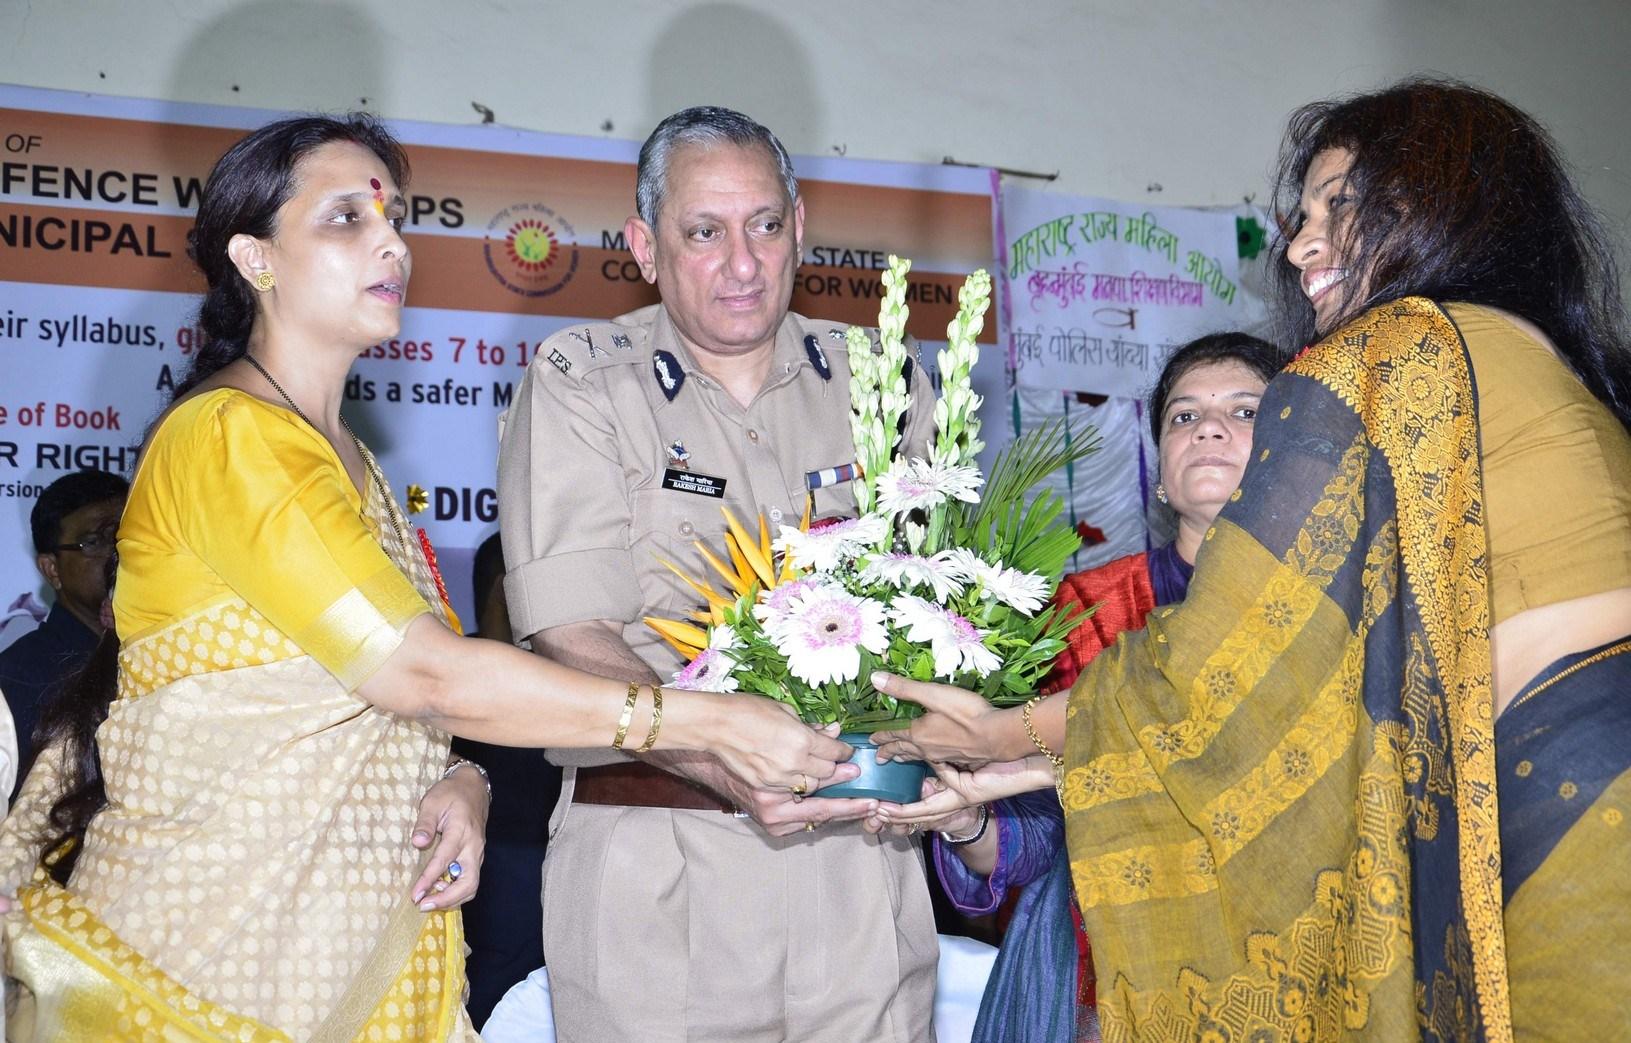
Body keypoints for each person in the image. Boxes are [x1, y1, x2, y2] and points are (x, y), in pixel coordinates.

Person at [0, 113, 849, 1041]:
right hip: (204, 960)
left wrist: (464, 779)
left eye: (393, 217)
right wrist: (706, 718)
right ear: (255, 258)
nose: (392, 242)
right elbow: (426, 672)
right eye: (345, 221)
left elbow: (400, 704)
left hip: (344, 952)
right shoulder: (229, 438)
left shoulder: (349, 461)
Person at [871, 78, 1631, 1040]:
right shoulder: (1546, 362)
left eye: (1342, 211)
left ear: (1448, 205)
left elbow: (1220, 676)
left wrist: (1000, 734)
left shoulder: (1396, 348)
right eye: (1300, 217)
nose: (1302, 246)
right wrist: (1010, 784)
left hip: (1546, 790)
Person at [497, 105, 939, 1041]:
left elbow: (946, 617)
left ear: (800, 226)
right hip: (654, 873)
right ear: (645, 246)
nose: (743, 264)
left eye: (765, 226)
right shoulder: (583, 380)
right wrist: (720, 759)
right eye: (704, 233)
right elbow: (570, 635)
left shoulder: (882, 379)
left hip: (859, 863)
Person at [894, 334, 1279, 1043]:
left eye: (1244, 410)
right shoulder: (1088, 608)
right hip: (1100, 977)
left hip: (1291, 971)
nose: (1209, 427)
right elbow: (1036, 831)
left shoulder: (1338, 610)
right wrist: (965, 821)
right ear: (1160, 475)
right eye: (1183, 418)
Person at [453, 532, 559, 1027]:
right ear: (505, 591)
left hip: (554, 887)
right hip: (492, 890)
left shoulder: (560, 684)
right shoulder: (442, 683)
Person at [0, 469, 127, 800]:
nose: (117, 552)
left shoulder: (168, 654)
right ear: (51, 569)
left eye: (126, 534)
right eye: (94, 541)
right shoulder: (16, 679)